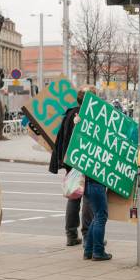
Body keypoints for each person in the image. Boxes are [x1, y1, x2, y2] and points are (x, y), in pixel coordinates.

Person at [50, 85, 97, 246]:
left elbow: (63, 138)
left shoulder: (70, 113)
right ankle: (87, 236)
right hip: (88, 162)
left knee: (74, 196)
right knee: (89, 198)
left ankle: (71, 235)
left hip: (72, 161)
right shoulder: (90, 115)